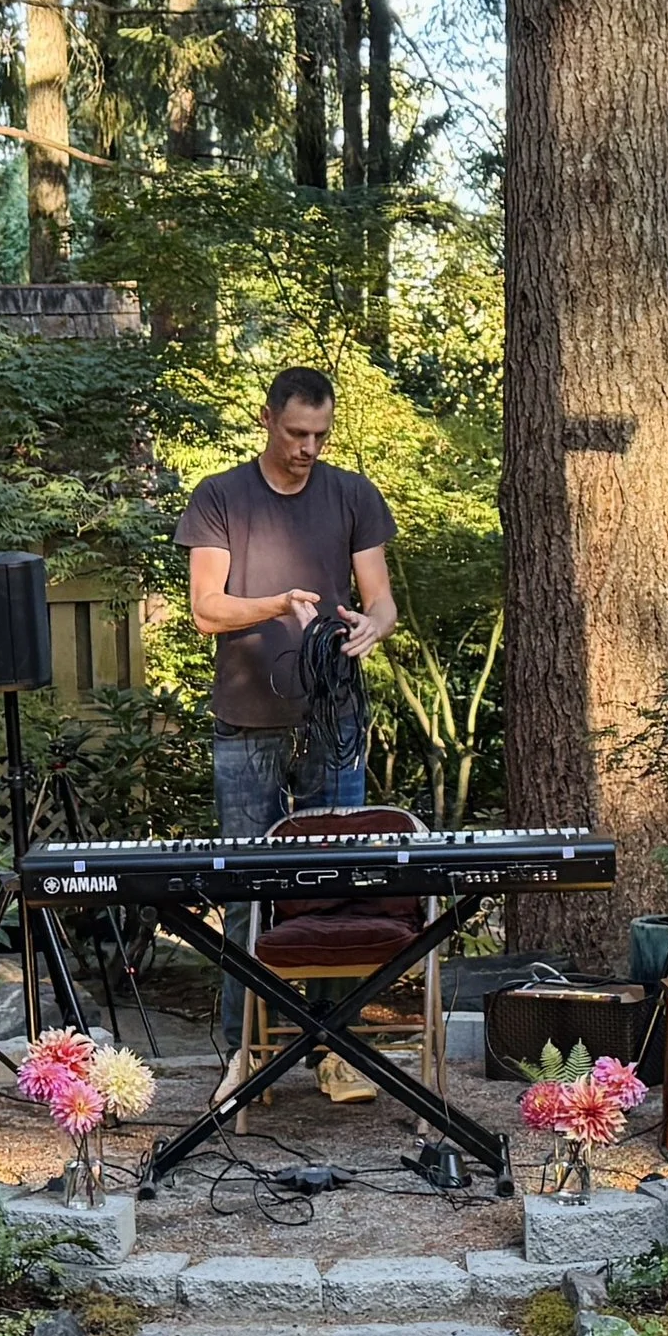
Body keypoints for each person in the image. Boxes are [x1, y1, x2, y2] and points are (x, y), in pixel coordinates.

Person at [176, 368, 400, 1099]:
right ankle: (246, 1053)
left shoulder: (353, 495)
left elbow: (382, 600)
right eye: (297, 432)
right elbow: (207, 610)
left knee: (340, 887)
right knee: (247, 889)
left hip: (334, 719)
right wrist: (277, 603)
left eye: (321, 436)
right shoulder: (219, 496)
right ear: (267, 418)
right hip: (245, 721)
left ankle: (335, 1048)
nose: (308, 447)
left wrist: (372, 624)